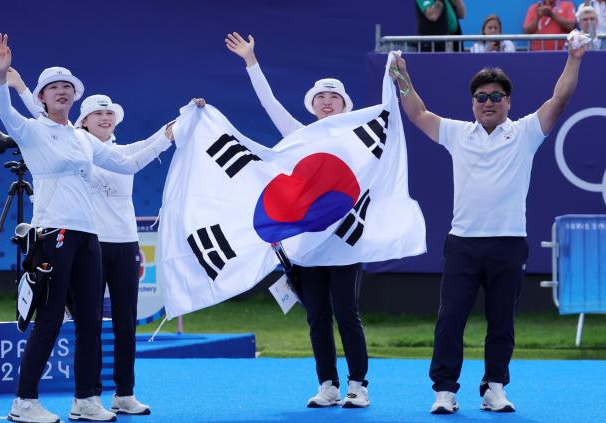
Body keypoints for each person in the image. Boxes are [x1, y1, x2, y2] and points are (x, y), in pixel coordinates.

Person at [0, 66, 206, 417]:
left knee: (90, 322)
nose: (62, 91)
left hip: (88, 237)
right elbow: (5, 112)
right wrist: (3, 81)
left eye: (67, 87)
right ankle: (24, 401)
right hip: (52, 233)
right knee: (50, 319)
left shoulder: (82, 138)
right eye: (53, 87)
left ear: (75, 96)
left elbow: (127, 162)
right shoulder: (31, 131)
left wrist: (172, 131)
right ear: (42, 97)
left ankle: (86, 400)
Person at [390, 38, 586, 414]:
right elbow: (417, 113)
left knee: (501, 323)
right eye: (481, 97)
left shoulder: (526, 132)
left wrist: (574, 59)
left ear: (509, 102)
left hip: (509, 244)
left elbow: (559, 100)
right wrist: (402, 77)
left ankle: (494, 387)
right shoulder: (456, 133)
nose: (489, 102)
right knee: (450, 320)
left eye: (497, 96)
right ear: (472, 103)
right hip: (462, 243)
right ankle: (445, 391)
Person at [225, 31, 369, 409]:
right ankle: (328, 385)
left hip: (343, 243)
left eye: (333, 97)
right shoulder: (299, 136)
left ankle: (358, 385)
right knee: (318, 317)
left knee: (347, 314)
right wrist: (251, 62)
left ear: (344, 105)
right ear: (312, 104)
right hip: (306, 246)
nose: (326, 102)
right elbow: (269, 102)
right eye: (320, 97)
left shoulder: (360, 139)